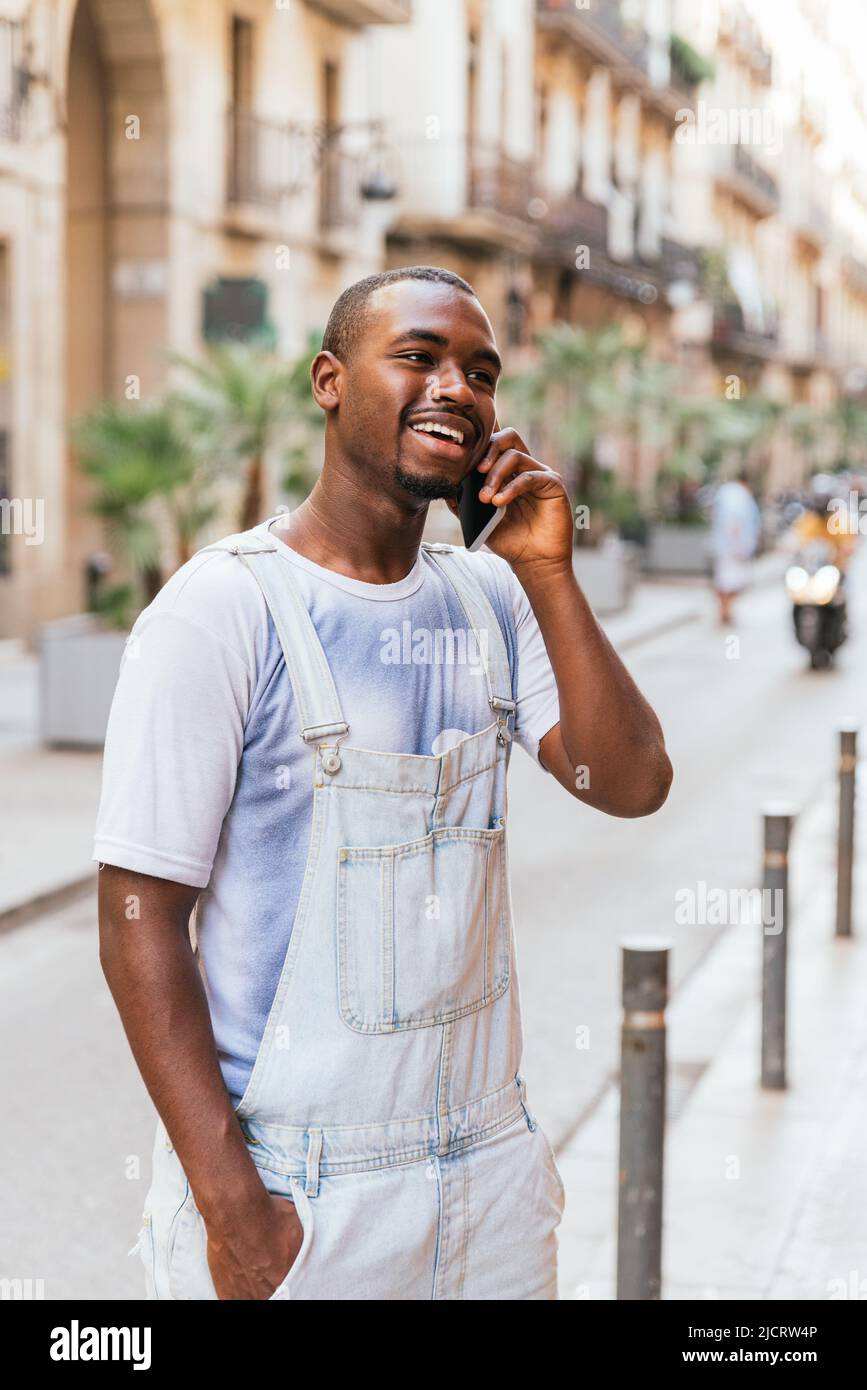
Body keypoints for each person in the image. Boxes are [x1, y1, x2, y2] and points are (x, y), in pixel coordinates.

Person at [96, 265, 672, 1302]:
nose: (456, 385)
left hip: (488, 1180)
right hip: (302, 1198)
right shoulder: (221, 611)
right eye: (418, 356)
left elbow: (629, 781)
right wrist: (237, 1215)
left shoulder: (489, 597)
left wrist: (548, 570)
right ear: (330, 379)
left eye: (480, 371)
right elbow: (138, 917)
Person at [709, 468, 762, 626]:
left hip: (727, 546)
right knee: (729, 582)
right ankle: (725, 611)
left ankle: (725, 611)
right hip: (732, 548)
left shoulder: (728, 492)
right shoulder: (737, 495)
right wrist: (737, 546)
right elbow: (733, 522)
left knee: (727, 581)